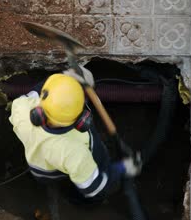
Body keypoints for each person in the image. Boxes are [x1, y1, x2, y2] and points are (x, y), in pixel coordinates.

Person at [9, 67, 142, 202]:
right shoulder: (76, 153)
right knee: (91, 183)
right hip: (64, 171)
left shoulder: (21, 110)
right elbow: (94, 187)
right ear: (82, 119)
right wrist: (123, 168)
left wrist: (65, 77)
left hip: (41, 170)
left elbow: (41, 91)